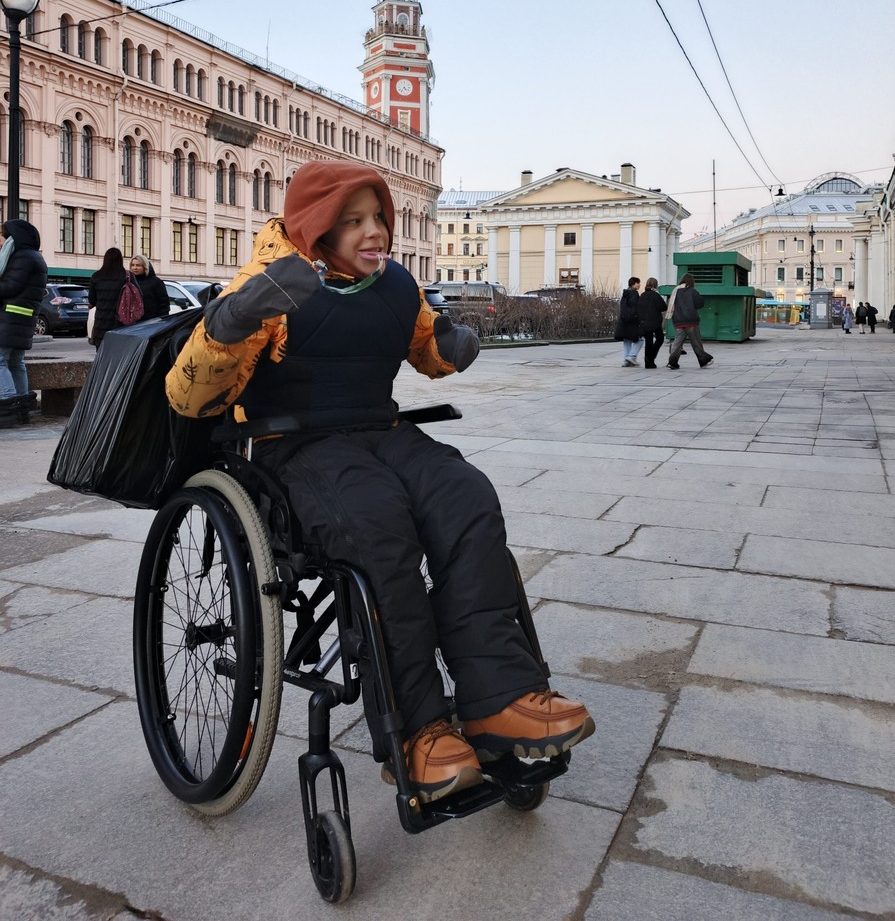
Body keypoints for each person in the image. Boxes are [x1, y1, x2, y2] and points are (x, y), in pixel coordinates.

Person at [166, 161, 594, 804]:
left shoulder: (394, 285)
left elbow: (428, 348)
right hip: (294, 443)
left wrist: (455, 344)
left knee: (466, 497)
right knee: (376, 521)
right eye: (354, 222)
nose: (375, 235)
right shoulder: (272, 282)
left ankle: (499, 699)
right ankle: (417, 733)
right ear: (318, 227)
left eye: (379, 220)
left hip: (379, 430)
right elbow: (187, 396)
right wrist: (231, 322)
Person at [0, 219, 48, 428]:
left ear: (12, 237)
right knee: (15, 362)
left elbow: (10, 287)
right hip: (20, 319)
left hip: (11, 318)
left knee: (1, 361)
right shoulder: (33, 257)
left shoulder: (22, 257)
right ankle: (22, 410)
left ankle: (7, 407)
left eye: (1, 236)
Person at [666, 273, 713, 370]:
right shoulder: (693, 291)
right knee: (696, 342)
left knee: (677, 343)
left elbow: (671, 304)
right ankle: (704, 360)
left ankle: (672, 362)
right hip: (691, 321)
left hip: (679, 321)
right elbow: (700, 303)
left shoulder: (675, 291)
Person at [87, 248, 126, 347]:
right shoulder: (126, 276)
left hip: (101, 323)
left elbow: (92, 300)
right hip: (121, 322)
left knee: (101, 355)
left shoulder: (96, 276)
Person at [128, 254, 170, 320]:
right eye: (132, 265)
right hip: (132, 322)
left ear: (145, 266)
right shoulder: (128, 282)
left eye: (138, 265)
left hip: (151, 322)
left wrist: (162, 320)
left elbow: (164, 303)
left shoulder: (156, 282)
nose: (135, 268)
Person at [637, 277, 667, 368]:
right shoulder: (655, 295)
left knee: (648, 341)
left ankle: (648, 362)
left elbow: (638, 308)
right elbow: (663, 307)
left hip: (644, 322)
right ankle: (651, 357)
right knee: (660, 339)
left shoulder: (642, 295)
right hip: (655, 322)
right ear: (655, 285)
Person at [615, 276, 643, 367]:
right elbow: (636, 307)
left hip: (624, 320)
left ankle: (626, 360)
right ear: (634, 284)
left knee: (627, 341)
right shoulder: (634, 293)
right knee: (640, 340)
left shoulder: (625, 294)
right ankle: (632, 356)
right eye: (638, 283)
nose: (639, 285)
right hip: (632, 321)